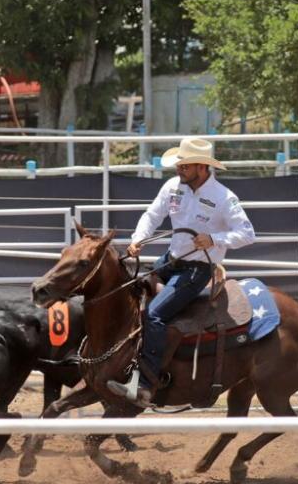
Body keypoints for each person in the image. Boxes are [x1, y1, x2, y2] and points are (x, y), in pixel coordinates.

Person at [106, 137, 255, 407]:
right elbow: (152, 215)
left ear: (202, 167)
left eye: (185, 165)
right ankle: (121, 362)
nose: (179, 169)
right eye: (179, 164)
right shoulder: (173, 187)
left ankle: (145, 384)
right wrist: (138, 238)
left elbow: (247, 234)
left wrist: (214, 239)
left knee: (154, 314)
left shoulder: (224, 197)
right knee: (130, 294)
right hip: (172, 260)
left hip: (198, 269)